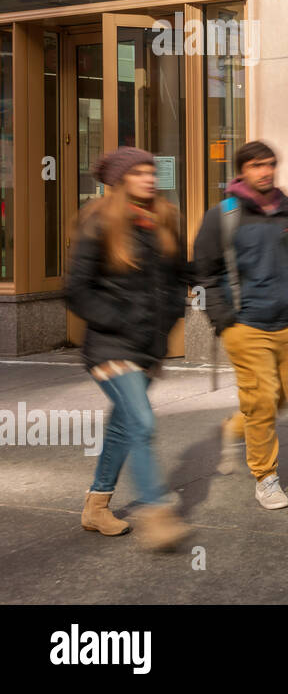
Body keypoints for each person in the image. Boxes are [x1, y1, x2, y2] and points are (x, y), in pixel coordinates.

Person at [65, 147, 192, 551]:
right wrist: (120, 320)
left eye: (151, 171)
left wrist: (169, 318)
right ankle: (157, 512)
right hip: (109, 344)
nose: (149, 179)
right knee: (142, 422)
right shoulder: (99, 222)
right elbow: (75, 290)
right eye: (138, 173)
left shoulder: (163, 221)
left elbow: (176, 281)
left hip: (145, 346)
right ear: (120, 180)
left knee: (124, 425)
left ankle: (96, 506)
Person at [193, 140, 288, 510]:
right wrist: (224, 320)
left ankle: (234, 428)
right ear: (242, 170)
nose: (265, 171)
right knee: (261, 401)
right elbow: (204, 273)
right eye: (257, 166)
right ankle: (266, 477)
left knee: (282, 397)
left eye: (270, 164)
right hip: (247, 325)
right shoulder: (224, 215)